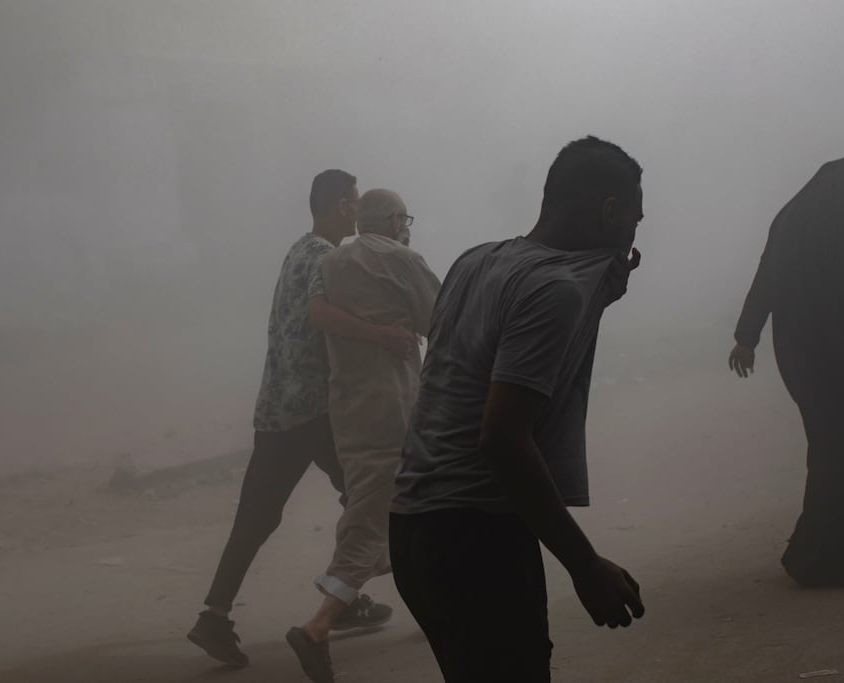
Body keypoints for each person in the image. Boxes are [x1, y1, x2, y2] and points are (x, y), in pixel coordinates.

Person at [389, 136, 646, 683]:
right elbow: (503, 439)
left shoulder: (476, 260)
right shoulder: (555, 291)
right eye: (634, 222)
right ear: (610, 211)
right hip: (475, 540)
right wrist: (585, 566)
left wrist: (599, 298)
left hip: (413, 526)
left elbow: (497, 363)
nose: (633, 238)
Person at [187, 170, 418, 667]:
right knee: (375, 500)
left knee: (257, 516)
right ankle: (414, 596)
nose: (360, 212)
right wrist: (382, 335)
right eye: (356, 203)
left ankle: (215, 615)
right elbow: (322, 315)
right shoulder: (328, 258)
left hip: (277, 408)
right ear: (342, 208)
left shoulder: (299, 250)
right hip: (316, 409)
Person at [728, 157, 844, 588]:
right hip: (835, 355)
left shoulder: (789, 219)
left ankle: (813, 554)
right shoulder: (843, 217)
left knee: (826, 448)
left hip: (798, 355)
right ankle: (832, 559)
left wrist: (746, 338)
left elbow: (766, 278)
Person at [286, 190, 441, 682]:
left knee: (404, 506)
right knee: (373, 516)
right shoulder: (403, 259)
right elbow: (440, 321)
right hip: (393, 406)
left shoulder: (330, 263)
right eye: (405, 219)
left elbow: (319, 316)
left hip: (348, 408)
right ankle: (319, 624)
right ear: (394, 221)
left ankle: (438, 608)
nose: (407, 227)